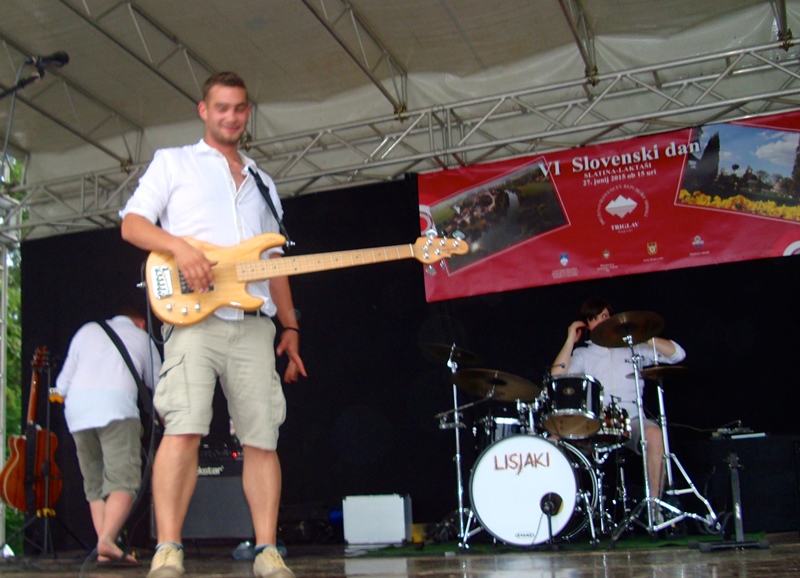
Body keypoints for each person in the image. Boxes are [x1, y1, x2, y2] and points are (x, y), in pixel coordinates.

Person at [119, 71, 306, 578]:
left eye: (240, 108)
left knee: (262, 438)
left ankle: (267, 550)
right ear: (204, 110)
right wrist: (180, 249)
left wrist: (290, 327)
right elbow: (132, 223)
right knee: (183, 430)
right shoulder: (174, 162)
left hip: (254, 325)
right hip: (193, 322)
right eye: (221, 107)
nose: (231, 116)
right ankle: (168, 549)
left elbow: (275, 264)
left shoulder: (264, 183)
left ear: (248, 113)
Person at [550, 297, 685, 514]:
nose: (601, 322)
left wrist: (644, 335)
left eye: (604, 316)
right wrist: (570, 340)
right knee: (554, 438)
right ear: (588, 325)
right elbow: (557, 375)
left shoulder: (634, 348)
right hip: (595, 422)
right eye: (594, 319)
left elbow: (677, 354)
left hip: (631, 420)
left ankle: (654, 508)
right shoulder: (583, 354)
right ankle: (560, 511)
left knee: (654, 434)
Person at [55, 306, 161, 563]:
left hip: (78, 413)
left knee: (94, 484)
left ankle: (105, 549)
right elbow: (160, 384)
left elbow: (61, 387)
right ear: (140, 322)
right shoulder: (142, 337)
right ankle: (106, 540)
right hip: (117, 409)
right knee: (124, 480)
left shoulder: (86, 330)